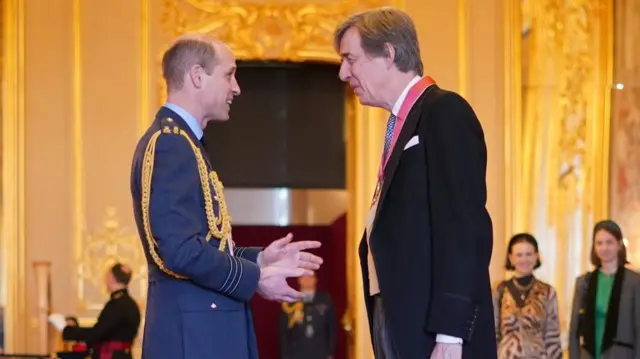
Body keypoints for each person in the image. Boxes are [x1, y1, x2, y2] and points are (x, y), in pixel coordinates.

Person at [130, 34, 324, 359]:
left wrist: (260, 259)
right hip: (194, 338)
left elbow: (206, 244)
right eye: (229, 74)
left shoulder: (185, 142)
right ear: (196, 75)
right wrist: (257, 277)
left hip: (202, 331)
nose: (237, 88)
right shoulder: (171, 143)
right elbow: (180, 251)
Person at [333, 7, 496, 359]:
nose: (343, 72)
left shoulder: (443, 111)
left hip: (436, 330)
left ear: (388, 53)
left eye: (350, 59)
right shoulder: (401, 123)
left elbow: (463, 227)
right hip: (398, 315)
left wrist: (451, 334)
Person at [569, 220, 640, 359]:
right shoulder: (584, 282)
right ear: (594, 247)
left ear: (619, 244)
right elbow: (574, 330)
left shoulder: (634, 281)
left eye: (609, 242)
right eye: (599, 243)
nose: (604, 248)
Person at [50, 263, 141, 359]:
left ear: (111, 278)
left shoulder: (116, 305)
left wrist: (67, 329)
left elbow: (97, 333)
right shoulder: (132, 305)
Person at [493, 233, 562, 359]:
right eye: (519, 255)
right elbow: (492, 333)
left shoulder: (548, 292)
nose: (524, 259)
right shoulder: (500, 290)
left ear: (536, 256)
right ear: (511, 258)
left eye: (529, 254)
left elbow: (553, 337)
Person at [279, 273, 336, 359]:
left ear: (315, 280)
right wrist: (285, 356)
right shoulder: (290, 303)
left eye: (310, 277)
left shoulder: (325, 300)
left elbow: (331, 328)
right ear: (299, 280)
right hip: (296, 353)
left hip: (320, 353)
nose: (307, 280)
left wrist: (330, 352)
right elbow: (283, 333)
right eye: (305, 277)